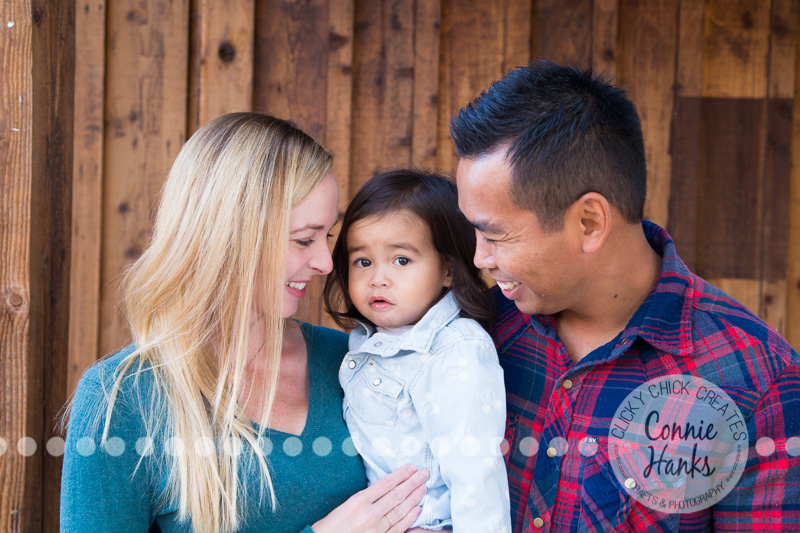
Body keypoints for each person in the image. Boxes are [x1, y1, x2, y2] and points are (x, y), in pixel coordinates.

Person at [450, 61, 800, 531]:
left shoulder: (757, 380)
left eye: (496, 235)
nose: (479, 258)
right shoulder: (471, 334)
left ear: (589, 222)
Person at [60, 112, 430, 533]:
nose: (325, 263)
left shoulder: (352, 361)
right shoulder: (123, 398)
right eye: (303, 239)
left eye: (326, 237)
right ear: (231, 235)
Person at [322, 170, 511, 533]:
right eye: (363, 262)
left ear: (448, 270)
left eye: (401, 261)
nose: (378, 278)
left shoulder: (455, 349)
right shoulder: (367, 341)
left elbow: (477, 473)